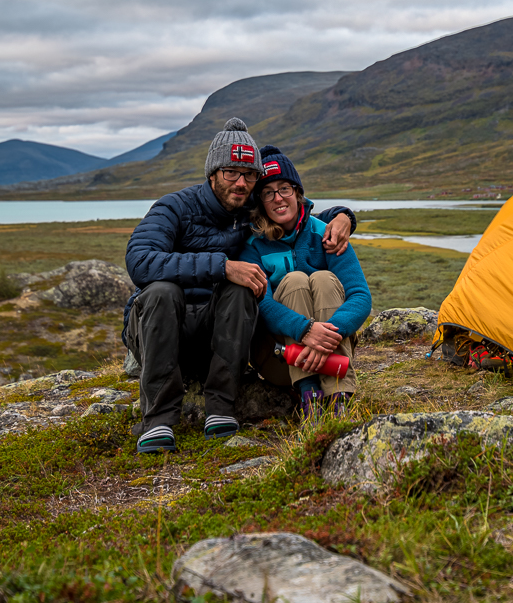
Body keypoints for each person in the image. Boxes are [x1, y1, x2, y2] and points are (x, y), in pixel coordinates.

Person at [122, 118, 355, 453]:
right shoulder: (174, 207)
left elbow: (295, 211)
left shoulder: (249, 210)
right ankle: (158, 420)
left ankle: (220, 409)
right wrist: (222, 266)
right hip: (158, 332)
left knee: (243, 290)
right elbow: (140, 261)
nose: (241, 182)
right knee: (162, 290)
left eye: (249, 174)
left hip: (216, 337)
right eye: (231, 171)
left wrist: (344, 216)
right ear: (213, 173)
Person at [240, 146, 370, 417]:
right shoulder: (253, 245)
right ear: (260, 201)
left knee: (323, 279)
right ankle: (308, 394)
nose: (278, 198)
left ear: (298, 192)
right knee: (295, 280)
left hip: (333, 353)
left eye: (285, 188)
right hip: (280, 357)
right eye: (268, 192)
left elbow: (360, 295)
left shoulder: (326, 233)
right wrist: (305, 330)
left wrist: (326, 335)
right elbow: (261, 303)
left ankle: (339, 399)